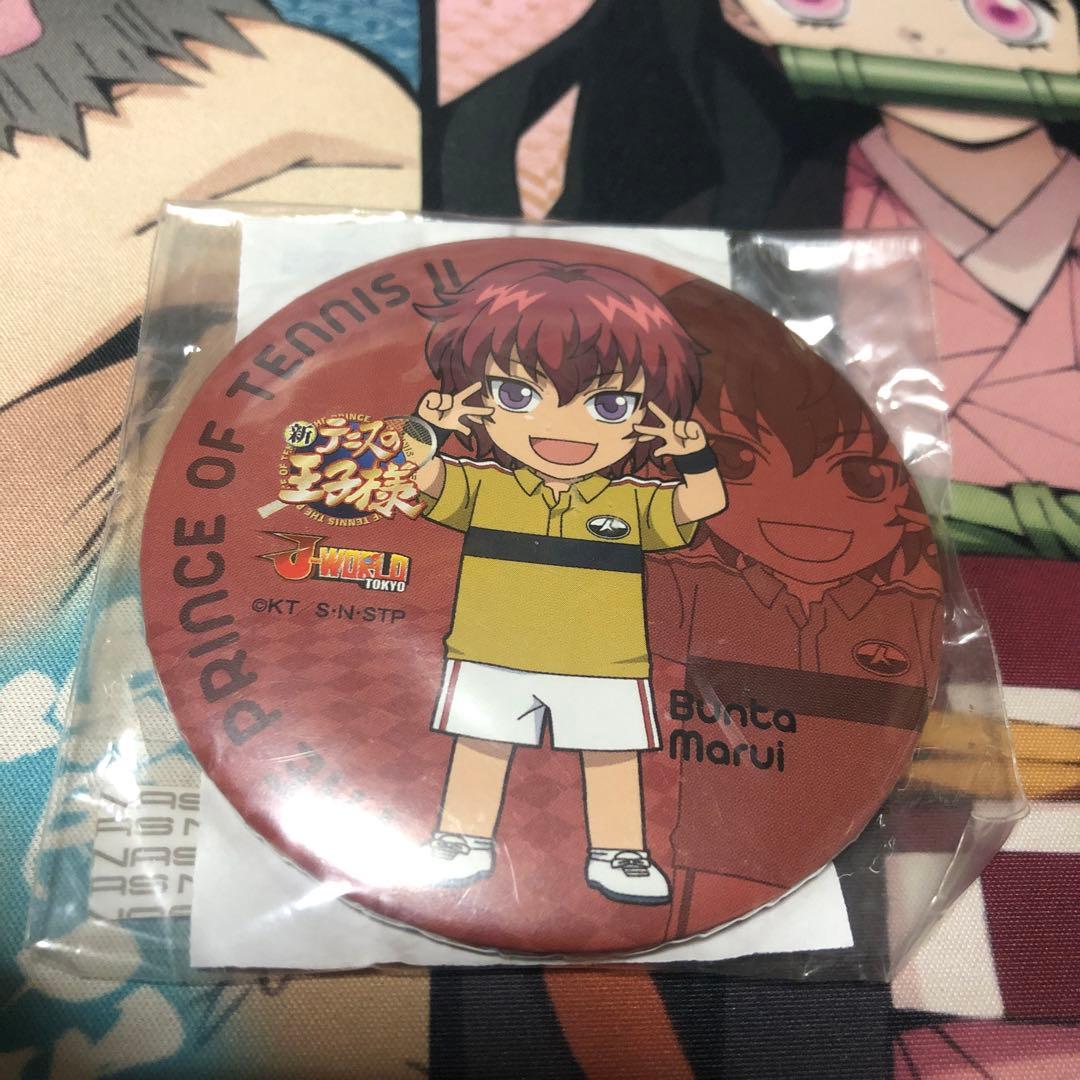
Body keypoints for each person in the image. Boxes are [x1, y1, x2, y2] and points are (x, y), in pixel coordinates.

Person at [409, 259, 728, 905]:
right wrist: (427, 431)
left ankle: (621, 853)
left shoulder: (634, 499)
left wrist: (693, 454)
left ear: (649, 414)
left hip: (603, 661)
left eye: (608, 405)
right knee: (482, 744)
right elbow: (413, 475)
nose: (563, 426)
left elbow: (704, 503)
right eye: (517, 396)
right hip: (491, 650)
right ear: (478, 402)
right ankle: (461, 839)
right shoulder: (485, 485)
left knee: (610, 756)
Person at [651, 279, 943, 938]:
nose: (798, 509)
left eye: (860, 478)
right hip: (691, 860)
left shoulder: (909, 612)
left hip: (831, 862)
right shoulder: (680, 584)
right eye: (736, 461)